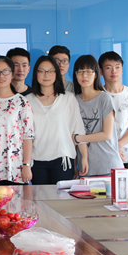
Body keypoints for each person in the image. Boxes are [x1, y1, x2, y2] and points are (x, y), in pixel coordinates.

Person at [27, 56, 87, 185]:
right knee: (40, 196)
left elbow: (78, 130)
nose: (46, 75)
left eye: (51, 71)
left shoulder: (68, 98)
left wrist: (84, 158)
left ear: (56, 73)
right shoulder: (27, 100)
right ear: (35, 73)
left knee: (61, 197)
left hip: (63, 159)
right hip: (36, 160)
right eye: (41, 71)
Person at [99, 51, 128, 191]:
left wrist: (117, 146)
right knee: (105, 198)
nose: (114, 71)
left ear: (122, 70)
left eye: (117, 67)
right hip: (104, 155)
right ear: (101, 71)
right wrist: (112, 149)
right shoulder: (98, 96)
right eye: (108, 67)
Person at [0, 56, 34, 185]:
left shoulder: (22, 102)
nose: (1, 76)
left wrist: (27, 165)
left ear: (12, 74)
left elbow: (28, 136)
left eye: (5, 71)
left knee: (17, 198)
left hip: (15, 167)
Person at [72, 55, 123, 177]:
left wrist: (78, 139)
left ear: (95, 74)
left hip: (108, 165)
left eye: (89, 72)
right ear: (75, 75)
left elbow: (106, 134)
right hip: (85, 168)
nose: (84, 76)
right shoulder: (73, 100)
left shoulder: (104, 98)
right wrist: (75, 166)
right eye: (80, 72)